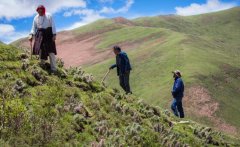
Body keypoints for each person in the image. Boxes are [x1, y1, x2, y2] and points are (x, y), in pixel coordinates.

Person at [29, 5, 57, 73]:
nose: (40, 12)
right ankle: (42, 66)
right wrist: (31, 34)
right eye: (39, 11)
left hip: (49, 34)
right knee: (41, 51)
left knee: (51, 51)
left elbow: (53, 25)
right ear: (37, 11)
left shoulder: (49, 15)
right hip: (39, 35)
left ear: (44, 10)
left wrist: (54, 34)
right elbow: (33, 27)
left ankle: (53, 69)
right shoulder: (36, 17)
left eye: (41, 11)